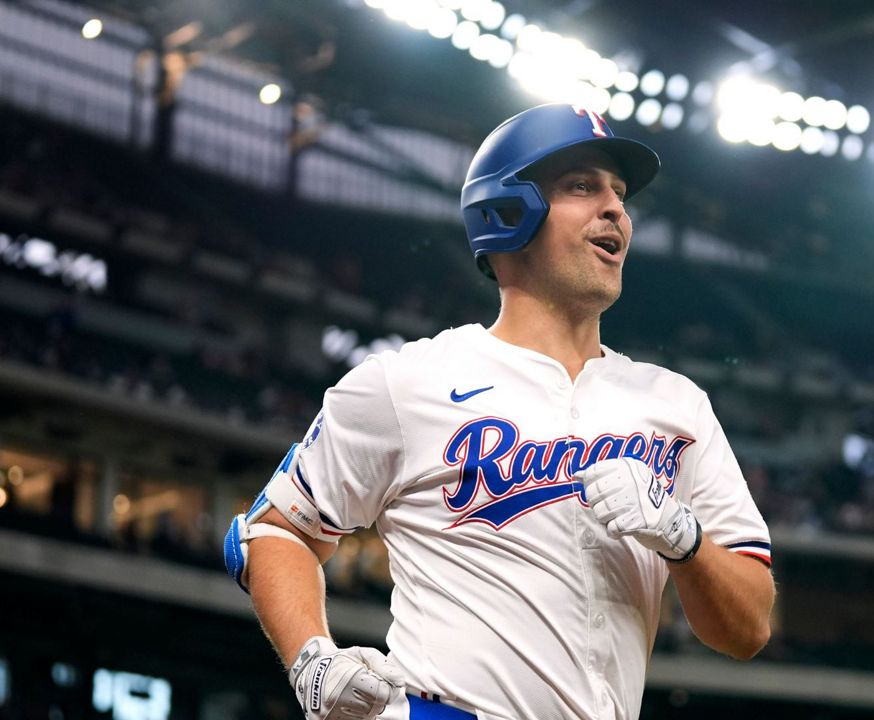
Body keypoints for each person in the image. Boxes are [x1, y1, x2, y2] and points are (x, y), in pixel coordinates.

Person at [224, 103, 774, 720]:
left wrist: (683, 537)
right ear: (508, 211)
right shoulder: (406, 383)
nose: (616, 207)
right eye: (582, 186)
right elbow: (273, 530)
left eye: (620, 193)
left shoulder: (677, 404)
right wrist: (311, 658)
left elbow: (747, 626)